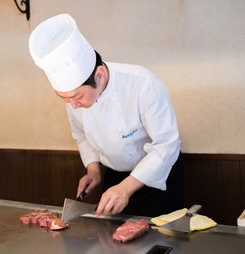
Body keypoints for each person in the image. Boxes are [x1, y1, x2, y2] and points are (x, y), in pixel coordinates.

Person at [29, 14, 183, 217]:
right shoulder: (73, 99)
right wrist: (93, 170)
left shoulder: (143, 84)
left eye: (76, 96)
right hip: (115, 179)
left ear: (99, 75)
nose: (73, 104)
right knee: (115, 241)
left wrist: (126, 188)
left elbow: (167, 145)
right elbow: (82, 136)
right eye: (64, 98)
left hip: (156, 179)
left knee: (158, 243)